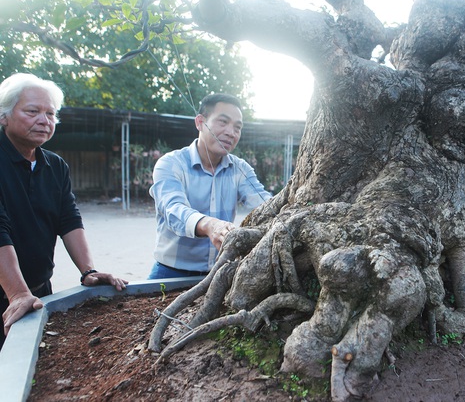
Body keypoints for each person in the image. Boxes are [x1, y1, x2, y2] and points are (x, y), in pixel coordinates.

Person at [0, 73, 128, 348]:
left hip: (35, 290)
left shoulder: (55, 166)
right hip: (13, 292)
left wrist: (87, 271)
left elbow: (68, 218)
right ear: (4, 116)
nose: (44, 121)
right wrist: (17, 294)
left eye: (50, 114)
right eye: (32, 111)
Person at [148, 93, 272, 279]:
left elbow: (264, 203)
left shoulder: (240, 168)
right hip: (170, 271)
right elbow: (173, 208)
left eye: (237, 127)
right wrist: (209, 225)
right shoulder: (171, 164)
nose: (231, 132)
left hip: (220, 273)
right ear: (200, 122)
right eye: (223, 122)